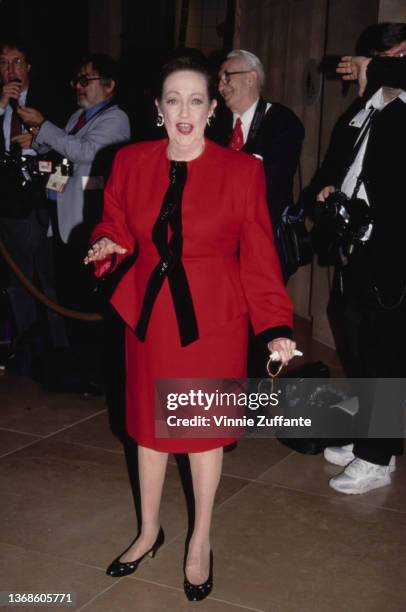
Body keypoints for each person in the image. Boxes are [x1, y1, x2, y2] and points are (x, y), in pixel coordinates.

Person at [84, 55, 295, 601]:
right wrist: (107, 243)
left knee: (201, 437)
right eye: (173, 100)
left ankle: (199, 539)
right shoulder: (129, 161)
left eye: (195, 99)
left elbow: (259, 258)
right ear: (157, 109)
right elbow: (116, 221)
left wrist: (274, 324)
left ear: (211, 108)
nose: (184, 111)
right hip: (150, 317)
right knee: (150, 431)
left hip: (213, 323)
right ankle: (149, 531)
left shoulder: (243, 170)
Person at [312, 23, 406, 494]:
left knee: (388, 352)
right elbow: (336, 164)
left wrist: (375, 67)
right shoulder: (363, 111)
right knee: (362, 347)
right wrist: (327, 191)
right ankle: (372, 437)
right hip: (357, 244)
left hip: (394, 252)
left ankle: (378, 456)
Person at [18, 53, 131, 317]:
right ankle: (70, 341)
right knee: (65, 285)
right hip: (63, 211)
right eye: (76, 81)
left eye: (84, 80)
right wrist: (37, 141)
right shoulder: (78, 116)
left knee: (83, 288)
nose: (78, 86)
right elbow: (67, 154)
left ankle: (84, 343)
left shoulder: (116, 119)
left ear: (109, 85)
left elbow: (84, 151)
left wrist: (44, 127)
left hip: (87, 214)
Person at [0, 39, 69, 372]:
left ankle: (60, 349)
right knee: (16, 277)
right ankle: (26, 347)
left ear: (29, 67)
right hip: (7, 199)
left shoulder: (51, 101)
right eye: (4, 63)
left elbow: (70, 152)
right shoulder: (0, 104)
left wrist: (39, 141)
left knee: (47, 276)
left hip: (42, 196)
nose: (11, 69)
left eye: (17, 62)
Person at [209, 49, 304, 281]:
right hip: (217, 241)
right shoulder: (214, 123)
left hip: (263, 238)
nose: (221, 86)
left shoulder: (283, 122)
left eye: (227, 76)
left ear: (251, 78)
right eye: (219, 79)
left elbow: (274, 183)